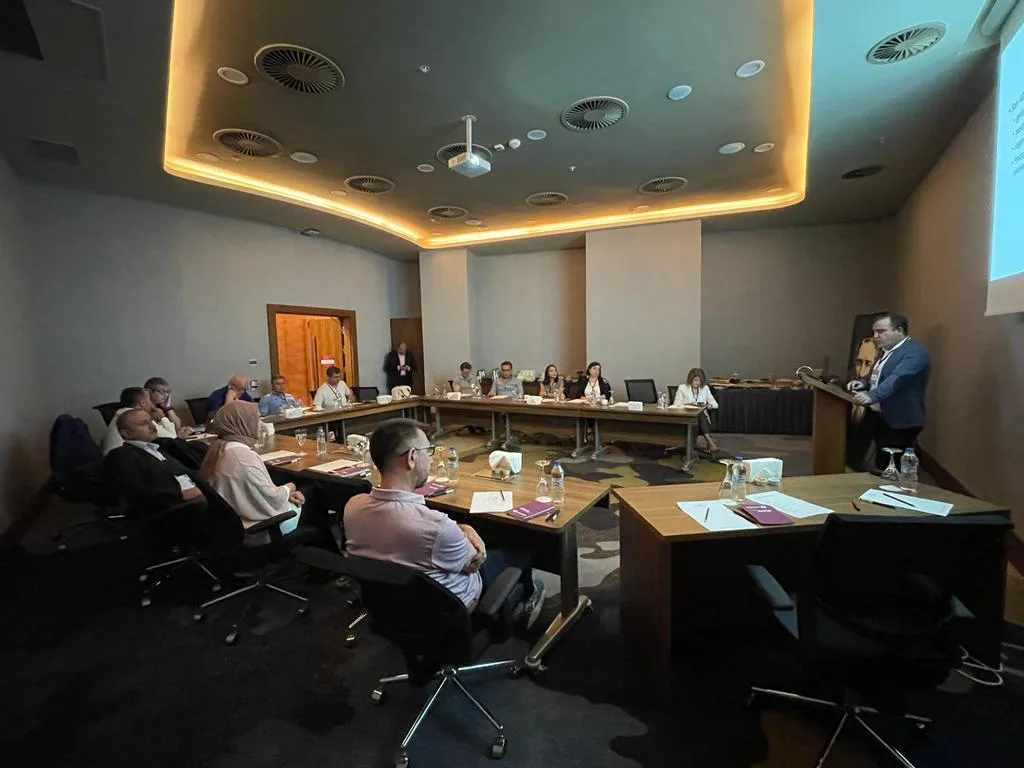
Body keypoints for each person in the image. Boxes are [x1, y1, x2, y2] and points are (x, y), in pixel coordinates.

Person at [344, 419, 545, 626]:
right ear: (412, 457)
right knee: (519, 549)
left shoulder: (353, 507)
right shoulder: (436, 527)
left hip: (388, 608)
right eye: (428, 451)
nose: (431, 460)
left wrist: (463, 528)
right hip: (446, 613)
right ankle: (527, 601)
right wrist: (466, 530)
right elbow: (474, 561)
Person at [199, 400, 320, 537]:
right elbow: (274, 498)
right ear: (242, 424)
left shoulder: (219, 449)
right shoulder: (243, 457)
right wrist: (290, 487)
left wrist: (285, 492)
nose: (262, 425)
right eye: (257, 420)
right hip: (262, 526)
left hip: (236, 524)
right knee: (313, 490)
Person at [847, 312, 931, 471]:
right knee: (876, 460)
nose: (875, 337)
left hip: (900, 419)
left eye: (881, 332)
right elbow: (876, 375)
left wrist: (871, 395)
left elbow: (897, 378)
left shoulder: (914, 353)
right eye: (874, 332)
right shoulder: (887, 350)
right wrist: (862, 383)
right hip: (879, 415)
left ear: (899, 330)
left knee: (891, 465)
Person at [104, 408, 201, 509]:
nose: (152, 426)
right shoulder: (121, 454)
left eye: (151, 421)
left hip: (197, 495)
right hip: (176, 507)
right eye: (143, 424)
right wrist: (181, 495)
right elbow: (133, 492)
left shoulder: (159, 448)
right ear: (127, 433)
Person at [101, 387, 177, 455]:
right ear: (142, 403)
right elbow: (173, 439)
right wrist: (163, 418)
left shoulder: (123, 413)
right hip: (127, 460)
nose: (152, 404)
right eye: (150, 400)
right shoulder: (136, 417)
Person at [673, 367, 720, 453]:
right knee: (699, 416)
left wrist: (709, 406)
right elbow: (676, 405)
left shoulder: (705, 388)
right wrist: (686, 406)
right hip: (686, 416)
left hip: (701, 418)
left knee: (700, 414)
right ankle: (709, 442)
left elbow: (715, 405)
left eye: (700, 381)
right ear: (690, 379)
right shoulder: (682, 388)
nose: (698, 383)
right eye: (695, 380)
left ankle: (701, 445)